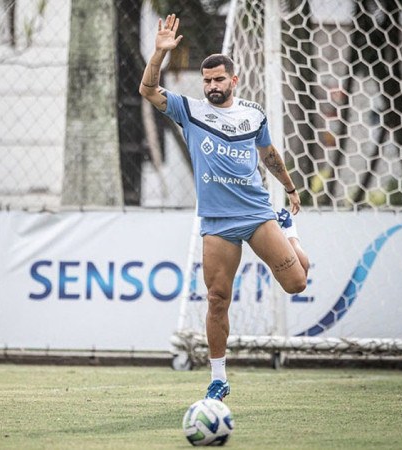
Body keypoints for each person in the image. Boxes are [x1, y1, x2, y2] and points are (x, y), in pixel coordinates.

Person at [139, 15, 310, 401]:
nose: (213, 86)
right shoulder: (190, 111)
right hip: (217, 223)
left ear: (233, 80)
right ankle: (218, 378)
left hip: (258, 215)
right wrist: (158, 54)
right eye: (207, 80)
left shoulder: (253, 114)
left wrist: (290, 188)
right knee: (217, 299)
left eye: (219, 80)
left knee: (298, 282)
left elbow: (268, 153)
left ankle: (290, 231)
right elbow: (148, 90)